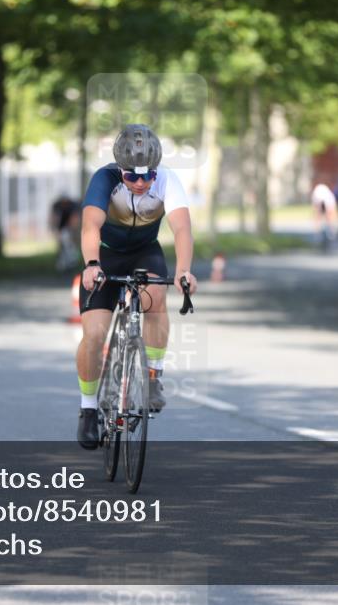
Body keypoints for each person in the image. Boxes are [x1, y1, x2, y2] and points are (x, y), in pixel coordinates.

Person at [76, 124, 197, 450]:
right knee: (95, 335)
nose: (141, 183)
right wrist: (91, 265)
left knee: (157, 296)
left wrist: (184, 271)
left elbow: (182, 230)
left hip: (145, 252)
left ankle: (153, 377)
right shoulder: (104, 178)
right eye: (133, 177)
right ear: (121, 170)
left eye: (148, 176)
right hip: (106, 256)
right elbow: (90, 226)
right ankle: (88, 410)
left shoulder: (168, 179)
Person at [49, 194, 80, 272]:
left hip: (68, 229)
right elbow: (54, 218)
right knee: (62, 246)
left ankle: (71, 262)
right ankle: (63, 263)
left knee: (69, 244)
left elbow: (74, 219)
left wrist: (72, 230)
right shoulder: (57, 205)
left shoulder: (72, 206)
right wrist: (55, 229)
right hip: (61, 228)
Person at [310, 182, 337, 249]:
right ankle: (318, 233)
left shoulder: (329, 197)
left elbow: (331, 211)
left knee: (329, 216)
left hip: (326, 200)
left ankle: (330, 231)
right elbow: (316, 210)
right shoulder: (317, 195)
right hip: (319, 198)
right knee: (318, 215)